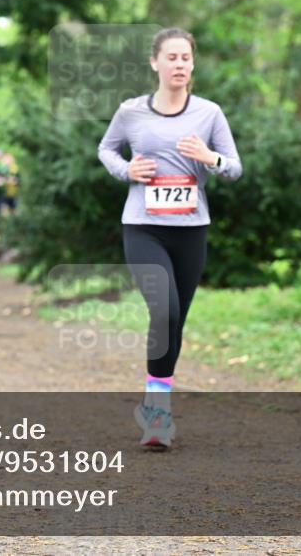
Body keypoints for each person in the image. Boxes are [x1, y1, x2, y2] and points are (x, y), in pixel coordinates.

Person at [98, 27, 242, 450]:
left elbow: (234, 167)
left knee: (174, 320)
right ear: (155, 63)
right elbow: (106, 149)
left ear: (192, 64)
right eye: (172, 57)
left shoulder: (209, 113)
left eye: (186, 58)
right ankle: (157, 414)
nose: (180, 64)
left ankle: (156, 404)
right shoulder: (130, 112)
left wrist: (209, 158)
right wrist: (126, 170)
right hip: (143, 227)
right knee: (164, 309)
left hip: (191, 230)